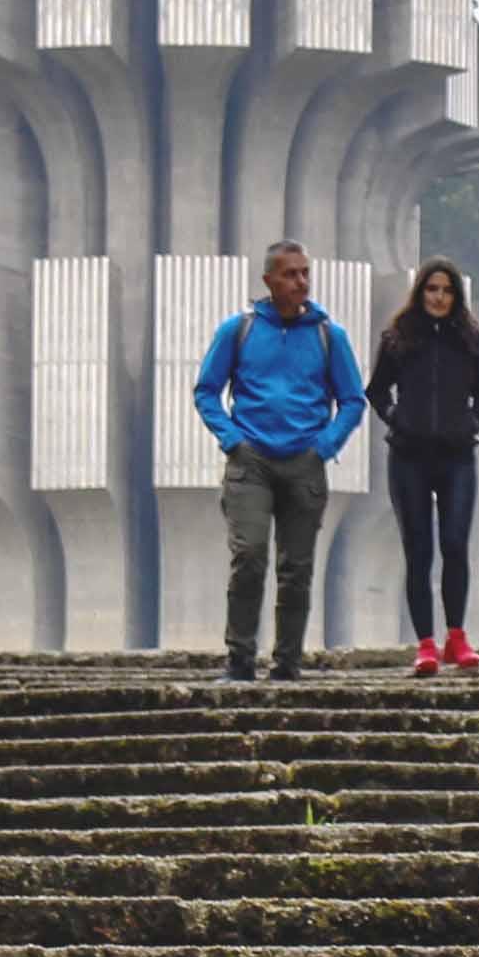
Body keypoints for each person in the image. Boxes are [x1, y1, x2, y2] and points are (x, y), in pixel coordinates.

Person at [192, 238, 366, 683]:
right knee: (248, 556)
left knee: (297, 567)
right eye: (291, 274)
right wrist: (231, 439)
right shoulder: (239, 330)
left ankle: (288, 663)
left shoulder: (330, 335)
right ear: (269, 280)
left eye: (305, 273)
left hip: (304, 463)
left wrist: (324, 447)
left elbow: (352, 400)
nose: (301, 282)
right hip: (251, 461)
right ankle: (240, 661)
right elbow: (206, 390)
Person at [365, 257, 479, 676]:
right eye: (431, 289)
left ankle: (456, 636)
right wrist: (399, 420)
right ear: (420, 291)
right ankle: (425, 644)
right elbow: (376, 390)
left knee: (455, 544)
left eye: (446, 290)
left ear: (456, 296)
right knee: (418, 549)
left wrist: (471, 423)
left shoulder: (472, 339)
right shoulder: (399, 337)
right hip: (408, 457)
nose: (439, 297)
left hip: (457, 456)